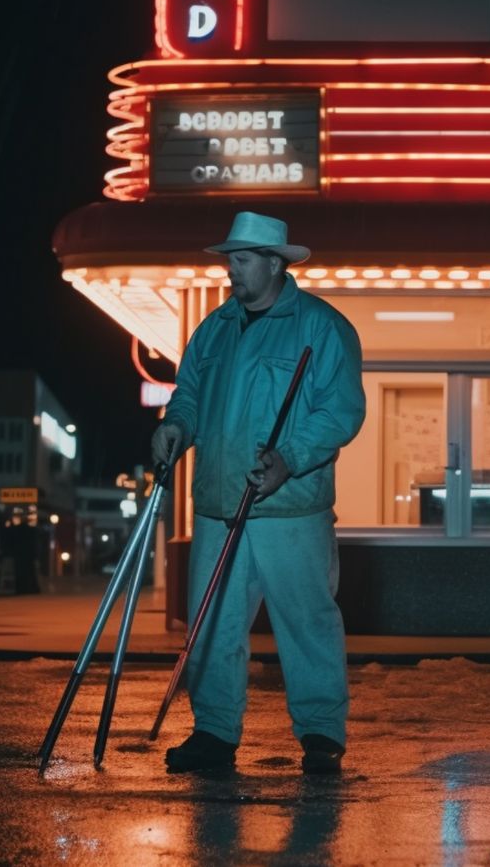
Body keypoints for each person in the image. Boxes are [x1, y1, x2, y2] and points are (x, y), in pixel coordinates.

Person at [150, 211, 365, 775]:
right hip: (220, 506)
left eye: (241, 260)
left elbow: (340, 411)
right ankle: (214, 733)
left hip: (290, 508)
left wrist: (288, 459)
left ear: (274, 263)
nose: (231, 271)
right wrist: (177, 426)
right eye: (228, 259)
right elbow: (190, 395)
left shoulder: (321, 327)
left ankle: (321, 735)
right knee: (212, 622)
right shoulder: (214, 329)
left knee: (307, 621)